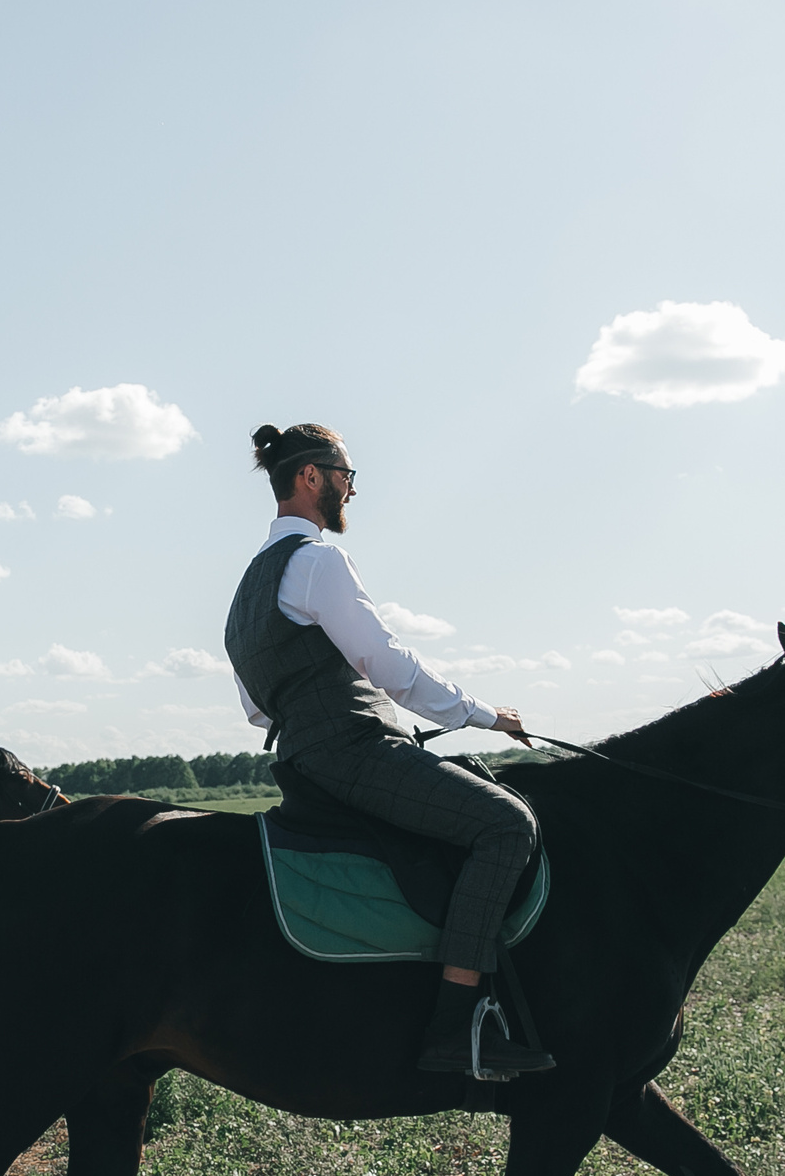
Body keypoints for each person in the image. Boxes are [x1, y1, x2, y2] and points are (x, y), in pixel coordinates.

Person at [224, 423, 554, 1078]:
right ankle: (458, 1024)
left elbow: (257, 707)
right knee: (506, 823)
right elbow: (388, 666)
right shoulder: (316, 561)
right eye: (345, 473)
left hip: (301, 759)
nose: (351, 487)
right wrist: (485, 715)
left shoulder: (243, 595)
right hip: (355, 752)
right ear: (310, 477)